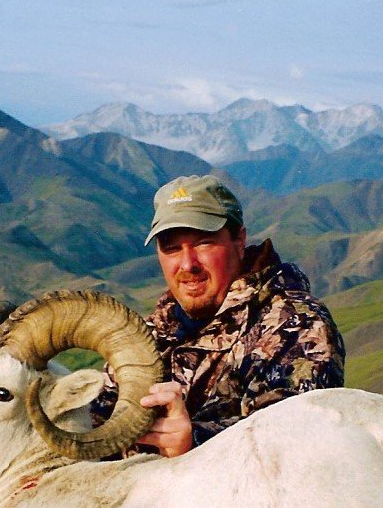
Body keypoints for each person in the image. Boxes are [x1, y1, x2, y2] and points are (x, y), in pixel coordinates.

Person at [96, 174, 345, 457]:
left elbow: (292, 441)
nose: (188, 264)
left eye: (204, 243)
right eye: (172, 248)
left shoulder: (296, 324)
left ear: (239, 239)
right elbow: (97, 425)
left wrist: (195, 441)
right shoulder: (147, 335)